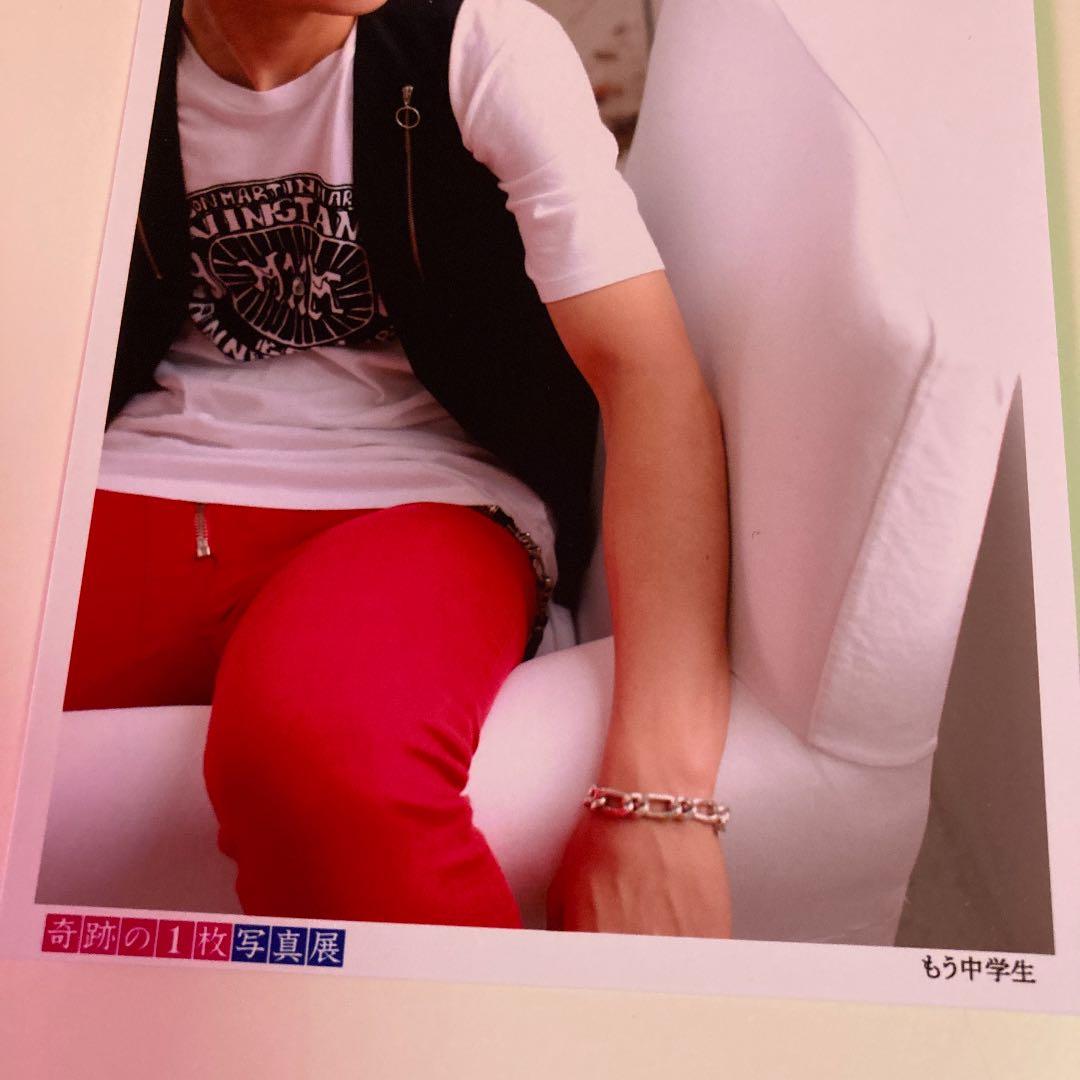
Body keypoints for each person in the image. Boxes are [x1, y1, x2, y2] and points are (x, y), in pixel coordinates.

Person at [64, 0, 734, 938]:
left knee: (326, 760)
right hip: (116, 482)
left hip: (425, 495)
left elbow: (648, 377)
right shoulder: (76, 52)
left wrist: (658, 802)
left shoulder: (478, 49)